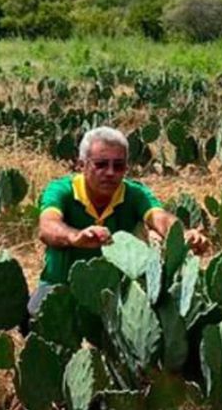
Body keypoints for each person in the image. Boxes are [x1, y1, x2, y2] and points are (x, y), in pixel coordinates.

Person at [30, 125, 210, 316]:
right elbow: (48, 226)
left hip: (116, 294)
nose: (110, 172)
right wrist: (75, 237)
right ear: (81, 165)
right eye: (101, 164)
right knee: (35, 316)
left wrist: (182, 236)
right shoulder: (61, 190)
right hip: (60, 288)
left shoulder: (135, 193)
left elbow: (159, 217)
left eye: (118, 166)